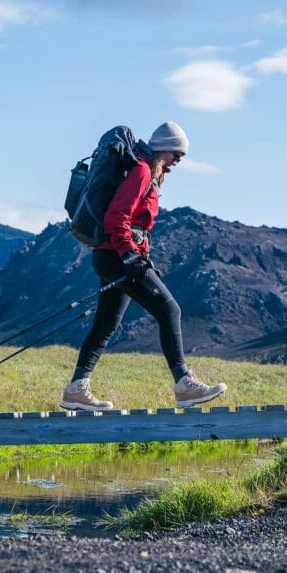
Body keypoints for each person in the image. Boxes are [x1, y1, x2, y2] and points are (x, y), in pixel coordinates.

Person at [60, 121, 227, 411]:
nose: (177, 162)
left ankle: (76, 389)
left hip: (110, 256)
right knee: (169, 309)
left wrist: (138, 256)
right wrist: (128, 255)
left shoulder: (144, 170)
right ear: (165, 148)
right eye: (177, 155)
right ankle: (184, 384)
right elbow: (117, 217)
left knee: (105, 324)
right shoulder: (141, 171)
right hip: (116, 257)